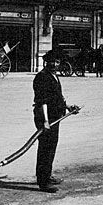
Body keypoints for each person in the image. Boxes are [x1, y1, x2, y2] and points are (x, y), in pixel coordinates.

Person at [33, 50, 78, 193]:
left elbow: (57, 96)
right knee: (45, 149)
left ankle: (47, 174)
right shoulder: (42, 77)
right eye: (51, 61)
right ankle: (43, 182)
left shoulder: (54, 76)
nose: (54, 64)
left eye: (57, 61)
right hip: (46, 118)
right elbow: (42, 102)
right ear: (46, 62)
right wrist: (45, 121)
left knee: (51, 147)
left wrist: (68, 106)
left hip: (55, 117)